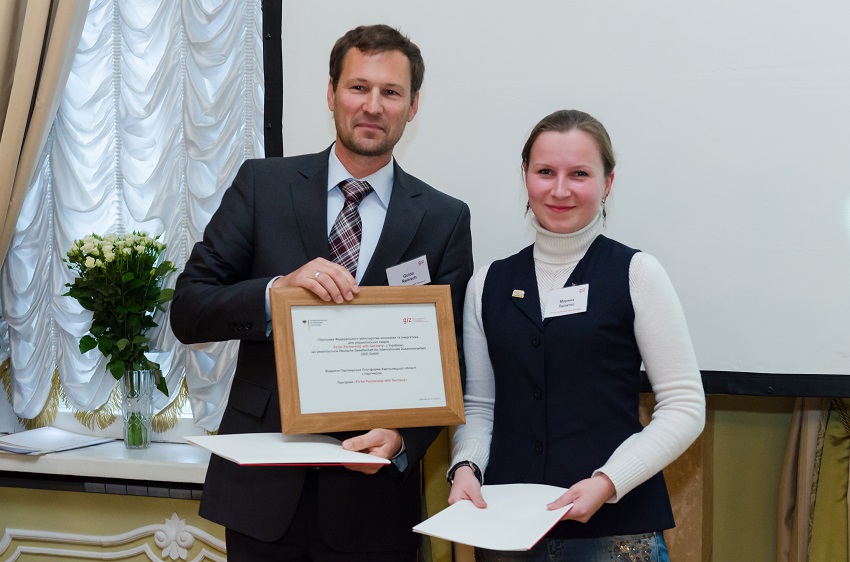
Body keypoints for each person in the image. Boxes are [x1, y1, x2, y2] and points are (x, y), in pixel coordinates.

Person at [170, 24, 473, 561]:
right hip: (262, 493)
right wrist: (275, 293)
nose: (373, 106)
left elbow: (449, 358)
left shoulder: (443, 219)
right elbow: (189, 309)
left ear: (413, 106)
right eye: (358, 87)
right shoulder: (261, 186)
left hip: (373, 503)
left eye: (391, 92)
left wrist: (403, 437)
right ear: (331, 93)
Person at [447, 109, 705, 561]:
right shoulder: (487, 283)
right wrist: (465, 467)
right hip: (508, 528)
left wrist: (608, 482)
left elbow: (685, 406)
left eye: (579, 174)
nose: (560, 189)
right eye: (545, 172)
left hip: (615, 532)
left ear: (607, 183)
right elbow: (481, 406)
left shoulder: (637, 273)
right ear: (525, 176)